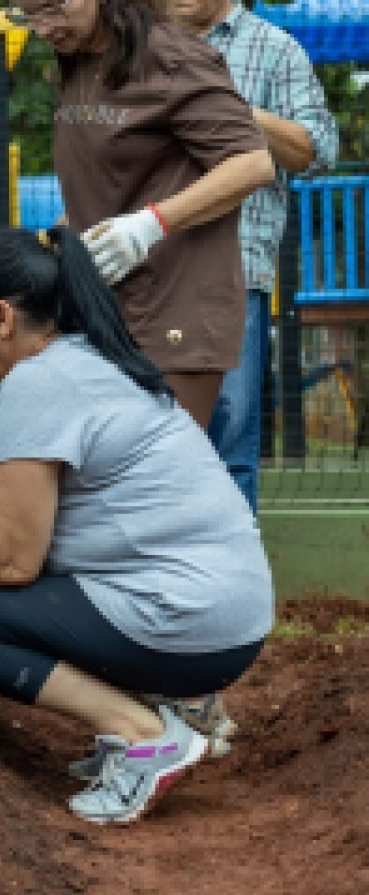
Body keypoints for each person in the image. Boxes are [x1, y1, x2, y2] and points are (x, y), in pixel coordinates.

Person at [0, 228, 273, 824]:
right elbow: (17, 518)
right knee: (14, 592)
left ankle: (144, 736)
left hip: (187, 619)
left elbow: (11, 557)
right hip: (227, 619)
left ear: (2, 317)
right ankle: (171, 711)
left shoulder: (35, 385)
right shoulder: (84, 361)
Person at [16, 0, 275, 427]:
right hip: (102, 308)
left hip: (175, 310)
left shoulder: (170, 56)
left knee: (156, 476)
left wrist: (150, 225)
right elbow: (118, 182)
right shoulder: (79, 58)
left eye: (51, 9)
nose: (42, 28)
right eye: (27, 15)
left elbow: (251, 162)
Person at [171, 0, 338, 512]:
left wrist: (233, 107)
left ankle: (230, 587)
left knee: (231, 438)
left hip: (236, 270)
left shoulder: (275, 48)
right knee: (149, 438)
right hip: (149, 271)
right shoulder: (141, 46)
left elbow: (319, 150)